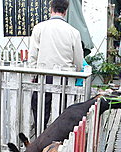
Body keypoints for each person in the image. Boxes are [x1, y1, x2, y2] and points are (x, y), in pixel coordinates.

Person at [29, 0, 83, 133]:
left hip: (43, 76)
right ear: (65, 12)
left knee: (40, 111)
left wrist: (33, 75)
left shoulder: (39, 28)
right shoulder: (73, 32)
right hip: (66, 78)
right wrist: (75, 73)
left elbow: (32, 56)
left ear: (51, 9)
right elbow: (78, 61)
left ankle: (40, 136)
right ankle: (59, 143)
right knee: (62, 112)